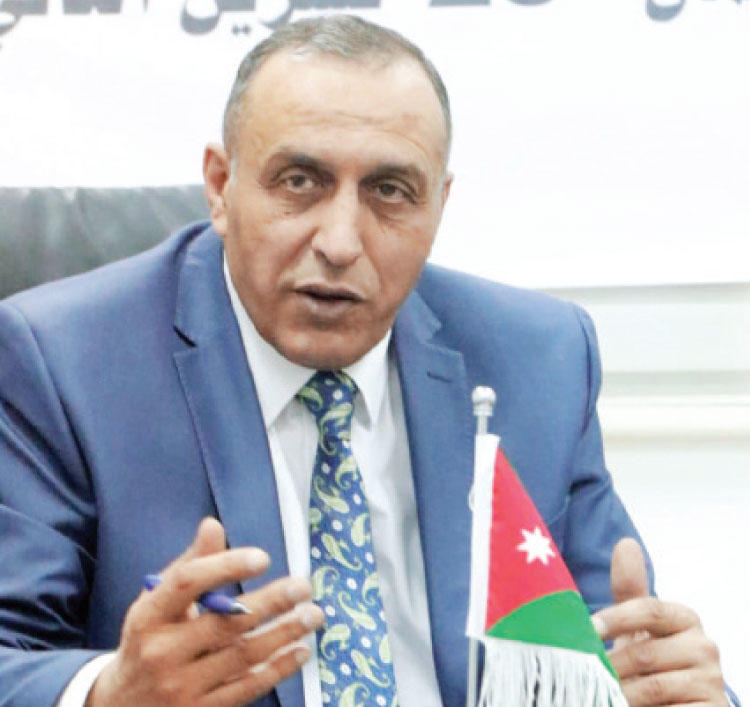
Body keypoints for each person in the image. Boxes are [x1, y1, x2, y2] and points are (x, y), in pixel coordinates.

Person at [0, 14, 736, 707]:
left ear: (439, 206)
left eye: (389, 192)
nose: (341, 242)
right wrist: (108, 691)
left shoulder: (537, 360)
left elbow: (618, 655)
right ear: (221, 188)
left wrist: (687, 693)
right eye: (300, 182)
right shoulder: (63, 362)